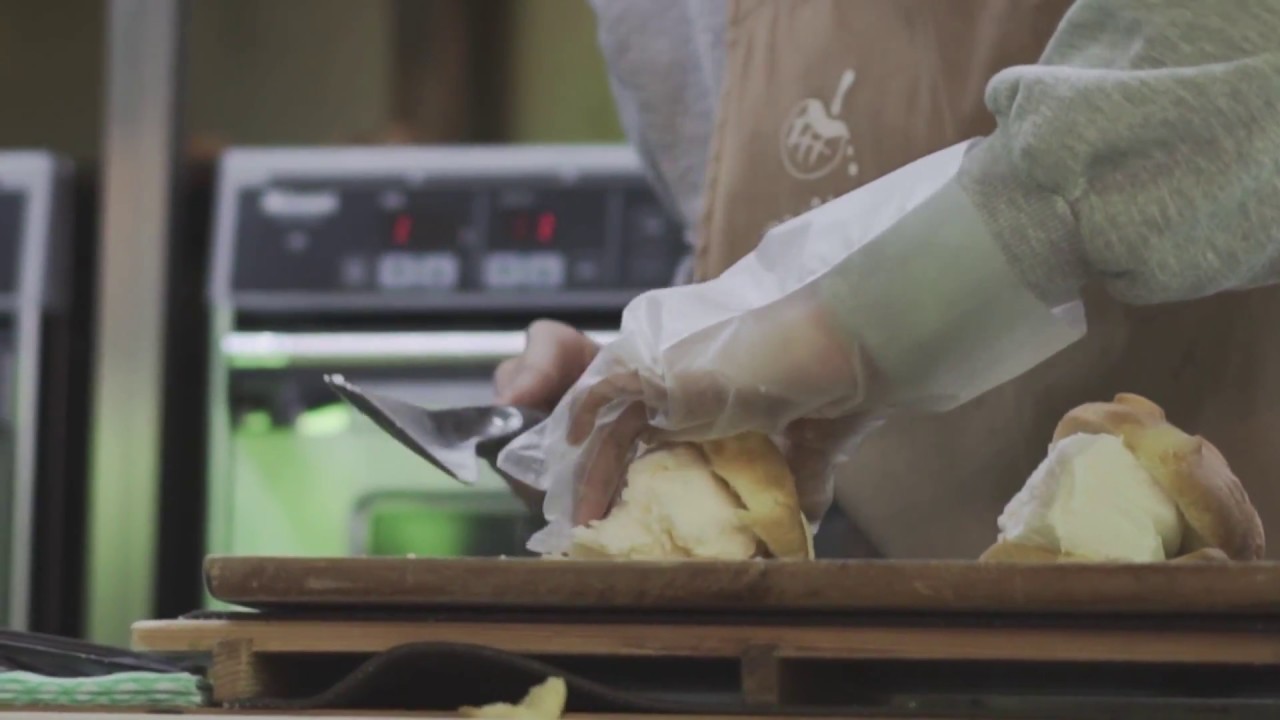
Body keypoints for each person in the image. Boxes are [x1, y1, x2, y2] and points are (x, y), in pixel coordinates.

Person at [495, 0, 1280, 558]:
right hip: (840, 633)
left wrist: (845, 328)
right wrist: (673, 370)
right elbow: (736, 204)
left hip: (1203, 635)